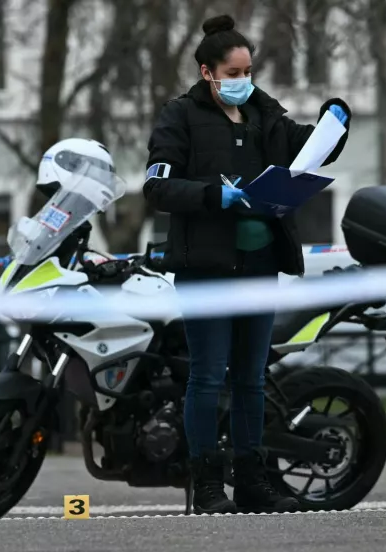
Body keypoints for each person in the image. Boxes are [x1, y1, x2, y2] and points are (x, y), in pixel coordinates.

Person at [143, 14, 351, 514]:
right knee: (209, 375)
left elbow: (308, 149)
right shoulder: (179, 116)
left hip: (260, 264)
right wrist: (216, 195)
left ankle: (253, 479)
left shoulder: (263, 113)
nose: (243, 81)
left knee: (251, 378)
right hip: (206, 270)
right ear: (207, 72)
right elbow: (158, 186)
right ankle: (207, 484)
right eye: (233, 73)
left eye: (248, 71)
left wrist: (335, 120)